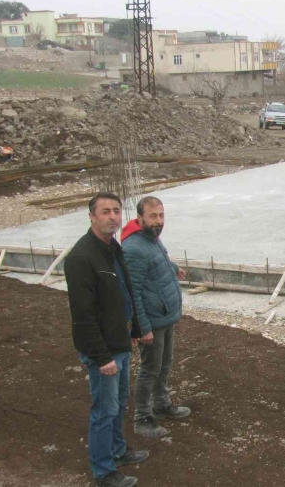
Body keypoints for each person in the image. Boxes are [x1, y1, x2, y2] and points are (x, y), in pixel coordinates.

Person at [65, 193, 149, 487]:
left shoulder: (114, 248)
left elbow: (125, 294)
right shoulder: (81, 258)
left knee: (119, 403)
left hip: (120, 342)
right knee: (104, 409)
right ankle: (103, 471)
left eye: (116, 211)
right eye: (105, 212)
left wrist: (134, 330)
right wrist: (102, 358)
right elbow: (83, 316)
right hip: (104, 350)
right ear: (91, 216)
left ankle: (117, 449)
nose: (113, 217)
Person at [121, 196, 189, 439]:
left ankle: (161, 403)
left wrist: (173, 268)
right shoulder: (134, 248)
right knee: (150, 369)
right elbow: (133, 293)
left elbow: (158, 261)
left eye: (161, 215)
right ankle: (143, 418)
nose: (158, 220)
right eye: (153, 216)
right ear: (140, 218)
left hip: (166, 316)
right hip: (153, 320)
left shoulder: (151, 239)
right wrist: (142, 328)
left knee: (165, 364)